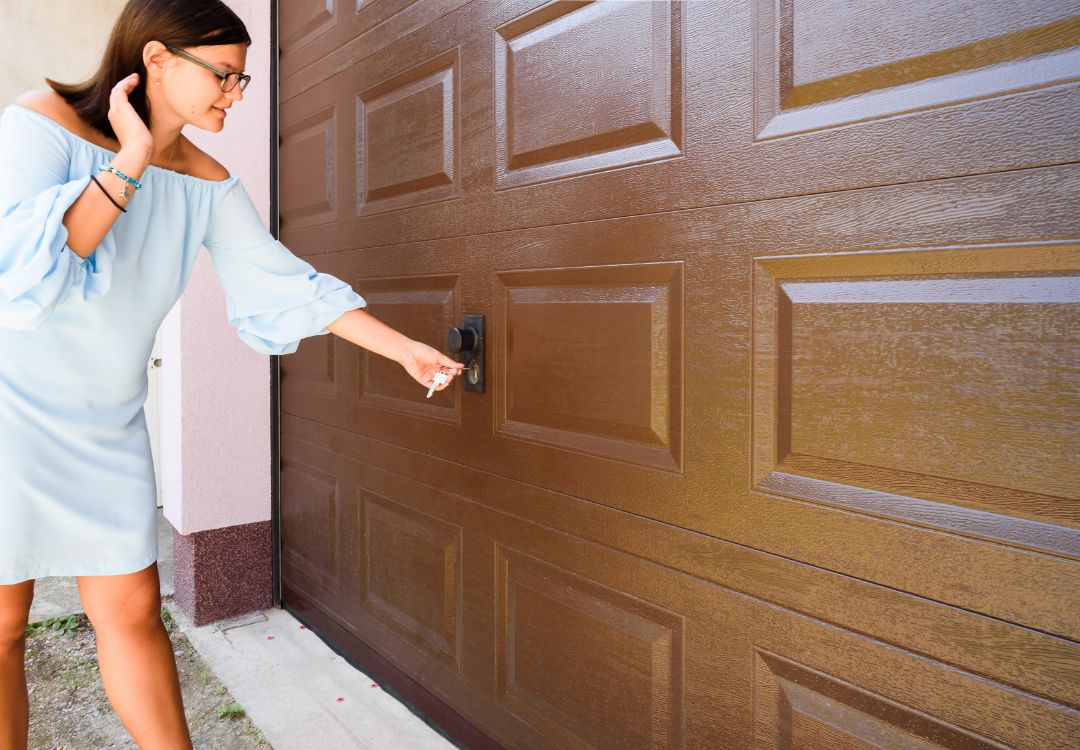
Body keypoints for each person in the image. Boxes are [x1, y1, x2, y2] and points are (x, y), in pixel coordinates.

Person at [0, 1, 464, 747]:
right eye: (224, 75)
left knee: (132, 614)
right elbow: (24, 283)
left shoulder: (211, 182)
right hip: (8, 412)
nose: (236, 94)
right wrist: (132, 155)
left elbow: (283, 282)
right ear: (156, 59)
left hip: (107, 422)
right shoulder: (40, 122)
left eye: (243, 80)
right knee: (3, 627)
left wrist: (400, 348)